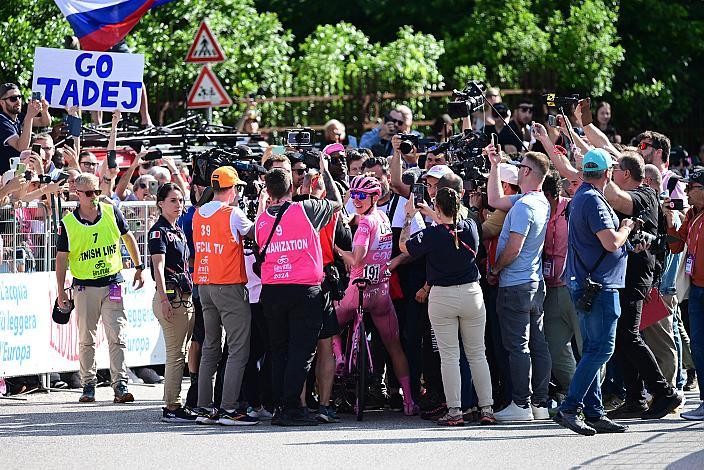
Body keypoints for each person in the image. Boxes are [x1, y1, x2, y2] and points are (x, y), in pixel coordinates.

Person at [256, 151, 342, 426]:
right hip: (304, 289)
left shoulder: (261, 220)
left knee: (279, 350)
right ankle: (293, 408)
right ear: (291, 188)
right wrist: (324, 171)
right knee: (302, 353)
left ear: (268, 191)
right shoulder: (305, 209)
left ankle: (281, 407)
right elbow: (337, 202)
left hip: (272, 291)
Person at [553, 149, 632, 436]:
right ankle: (570, 407)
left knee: (592, 348)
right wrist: (626, 228)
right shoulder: (592, 199)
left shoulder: (582, 196)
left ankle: (595, 412)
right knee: (602, 349)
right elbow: (610, 242)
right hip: (599, 286)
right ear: (608, 173)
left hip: (589, 283)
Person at [402, 186, 495, 425]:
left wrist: (410, 217)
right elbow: (452, 225)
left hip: (442, 297)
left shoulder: (433, 235)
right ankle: (487, 409)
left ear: (438, 207)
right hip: (472, 294)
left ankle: (455, 411)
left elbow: (405, 246)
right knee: (477, 354)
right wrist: (434, 213)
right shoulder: (471, 226)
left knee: (450, 356)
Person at [605, 152, 682, 420]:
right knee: (624, 338)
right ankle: (635, 399)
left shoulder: (645, 194)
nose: (611, 173)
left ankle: (665, 393)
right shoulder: (632, 191)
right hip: (625, 275)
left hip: (637, 275)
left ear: (625, 174)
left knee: (629, 335)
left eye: (614, 170)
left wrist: (597, 170)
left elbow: (615, 197)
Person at [55, 173, 145, 404]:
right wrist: (61, 291)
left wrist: (138, 266)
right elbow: (62, 259)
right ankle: (88, 385)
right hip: (85, 287)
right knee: (87, 338)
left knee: (117, 334)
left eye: (97, 192)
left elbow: (128, 237)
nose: (94, 197)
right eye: (88, 193)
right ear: (78, 194)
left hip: (112, 282)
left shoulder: (111, 211)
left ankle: (120, 384)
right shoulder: (68, 224)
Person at [335, 175, 418, 416]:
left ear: (374, 197)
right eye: (354, 194)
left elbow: (357, 259)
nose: (357, 199)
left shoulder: (365, 225)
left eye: (362, 195)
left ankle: (339, 357)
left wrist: (338, 250)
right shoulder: (382, 218)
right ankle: (409, 401)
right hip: (380, 291)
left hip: (357, 291)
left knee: (327, 323)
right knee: (394, 347)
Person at [487, 149, 552, 422]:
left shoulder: (525, 206)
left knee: (519, 346)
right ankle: (539, 403)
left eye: (519, 165)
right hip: (533, 282)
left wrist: (496, 269)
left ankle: (521, 404)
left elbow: (514, 248)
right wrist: (494, 166)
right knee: (537, 344)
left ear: (526, 172)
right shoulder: (538, 201)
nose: (516, 167)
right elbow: (494, 199)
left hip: (516, 283)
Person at [190, 167, 258, 426]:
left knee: (210, 347)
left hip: (205, 284)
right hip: (228, 285)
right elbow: (257, 234)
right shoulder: (233, 213)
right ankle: (229, 409)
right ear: (232, 189)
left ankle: (205, 408)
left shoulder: (198, 214)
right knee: (239, 348)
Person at [147, 183, 195, 422]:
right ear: (161, 203)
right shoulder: (160, 231)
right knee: (176, 354)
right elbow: (157, 266)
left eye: (180, 200)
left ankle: (176, 403)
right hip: (172, 296)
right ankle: (172, 406)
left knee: (181, 353)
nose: (178, 205)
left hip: (182, 296)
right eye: (173, 200)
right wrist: (164, 298)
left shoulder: (178, 229)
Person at [666, 168, 704, 420]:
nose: (687, 192)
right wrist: (671, 218)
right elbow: (675, 244)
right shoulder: (691, 215)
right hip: (697, 290)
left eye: (692, 187)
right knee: (699, 347)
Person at [541, 170, 582, 394]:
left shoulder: (573, 207)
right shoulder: (539, 210)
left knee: (588, 347)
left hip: (574, 286)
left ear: (551, 194)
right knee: (555, 347)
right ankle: (574, 393)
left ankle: (591, 397)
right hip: (550, 288)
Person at [0, 83, 51, 173]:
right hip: (5, 175)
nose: (18, 101)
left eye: (19, 97)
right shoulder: (2, 121)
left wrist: (45, 110)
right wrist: (29, 117)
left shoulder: (18, 117)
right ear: (2, 102)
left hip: (17, 172)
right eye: (13, 98)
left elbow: (45, 122)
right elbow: (21, 147)